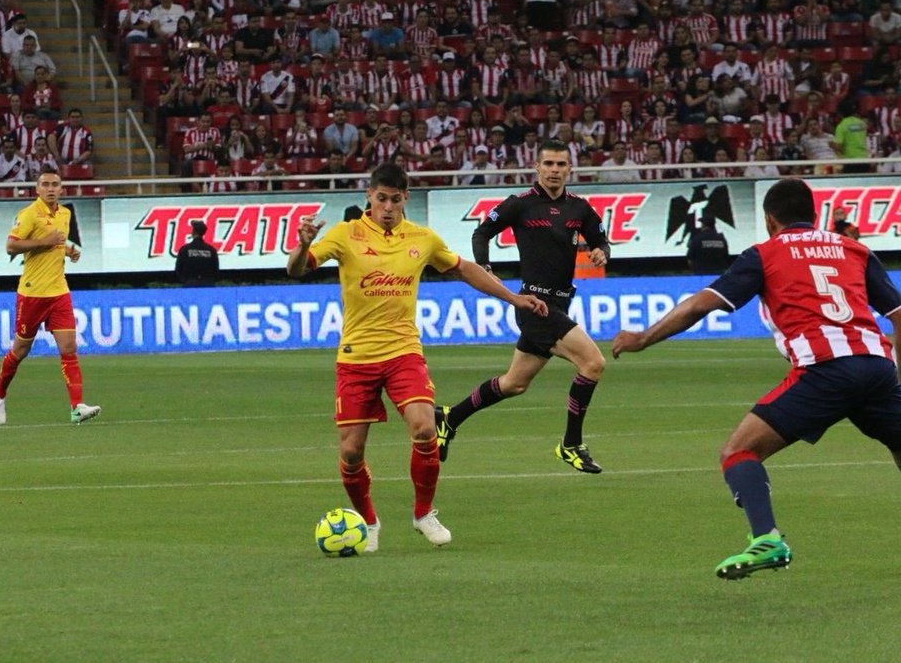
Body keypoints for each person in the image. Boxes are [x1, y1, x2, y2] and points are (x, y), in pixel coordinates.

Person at [611, 178, 901, 579]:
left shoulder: (765, 254)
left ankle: (766, 539)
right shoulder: (854, 249)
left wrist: (643, 338)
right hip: (877, 366)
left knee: (738, 452)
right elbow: (898, 313)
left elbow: (700, 304)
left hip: (825, 369)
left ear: (768, 219)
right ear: (815, 216)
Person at [286, 162, 547, 552]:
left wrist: (513, 297)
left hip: (403, 352)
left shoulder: (421, 239)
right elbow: (296, 270)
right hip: (356, 357)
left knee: (425, 428)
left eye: (395, 199)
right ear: (368, 198)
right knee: (351, 451)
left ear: (405, 198)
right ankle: (369, 523)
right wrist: (304, 242)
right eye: (381, 199)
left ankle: (423, 513)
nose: (388, 206)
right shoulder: (346, 234)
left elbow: (465, 270)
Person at [435, 140, 610, 472]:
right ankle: (571, 444)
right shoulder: (520, 204)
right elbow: (482, 233)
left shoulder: (580, 209)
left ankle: (449, 418)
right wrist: (485, 267)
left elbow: (601, 239)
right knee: (592, 362)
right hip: (534, 306)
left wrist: (603, 251)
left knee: (514, 383)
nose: (555, 170)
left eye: (561, 164)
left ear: (570, 169)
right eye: (549, 164)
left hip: (560, 304)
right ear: (537, 167)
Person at [0, 171, 101, 426]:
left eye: (55, 184)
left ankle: (77, 407)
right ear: (37, 189)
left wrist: (69, 249)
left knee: (69, 348)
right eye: (46, 185)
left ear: (62, 189)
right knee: (20, 350)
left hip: (59, 291)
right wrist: (45, 240)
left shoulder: (65, 214)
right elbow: (11, 246)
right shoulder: (29, 214)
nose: (51, 189)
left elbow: (57, 243)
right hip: (32, 293)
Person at [175, 220, 219, 287]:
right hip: (208, 285)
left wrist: (185, 281)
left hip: (189, 285)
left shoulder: (184, 249)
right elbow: (216, 270)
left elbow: (178, 269)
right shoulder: (211, 250)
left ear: (193, 232)